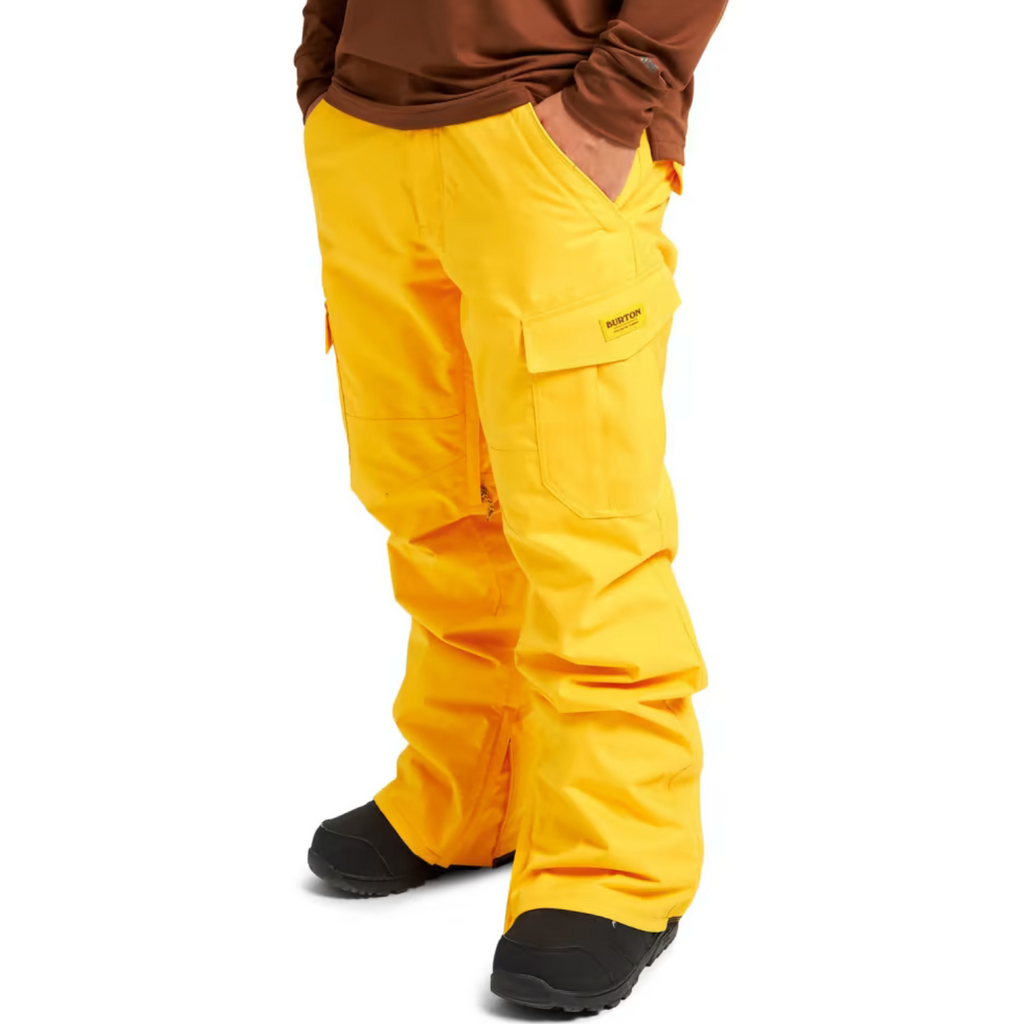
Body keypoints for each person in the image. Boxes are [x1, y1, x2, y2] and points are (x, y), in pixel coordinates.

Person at [295, 0, 728, 1011]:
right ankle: (472, 791)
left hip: (547, 124)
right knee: (430, 503)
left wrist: (617, 98)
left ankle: (616, 866)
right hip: (368, 130)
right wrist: (324, 69)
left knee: (587, 529)